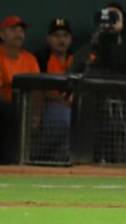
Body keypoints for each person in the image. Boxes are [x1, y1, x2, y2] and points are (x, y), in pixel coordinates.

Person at [71, 4, 126, 165]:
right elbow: (76, 78)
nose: (109, 22)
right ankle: (85, 158)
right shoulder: (88, 50)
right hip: (96, 103)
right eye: (106, 16)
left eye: (114, 17)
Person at [34, 18, 74, 162]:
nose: (61, 40)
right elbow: (38, 89)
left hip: (73, 107)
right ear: (48, 39)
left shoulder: (77, 59)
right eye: (56, 35)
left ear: (70, 39)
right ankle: (40, 156)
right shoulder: (40, 58)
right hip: (47, 107)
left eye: (65, 35)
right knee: (63, 115)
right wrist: (61, 100)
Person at [0, 15, 39, 164]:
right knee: (8, 111)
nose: (19, 33)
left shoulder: (30, 59)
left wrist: (35, 116)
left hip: (23, 109)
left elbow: (37, 91)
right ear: (2, 35)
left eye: (21, 30)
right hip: (5, 108)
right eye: (13, 29)